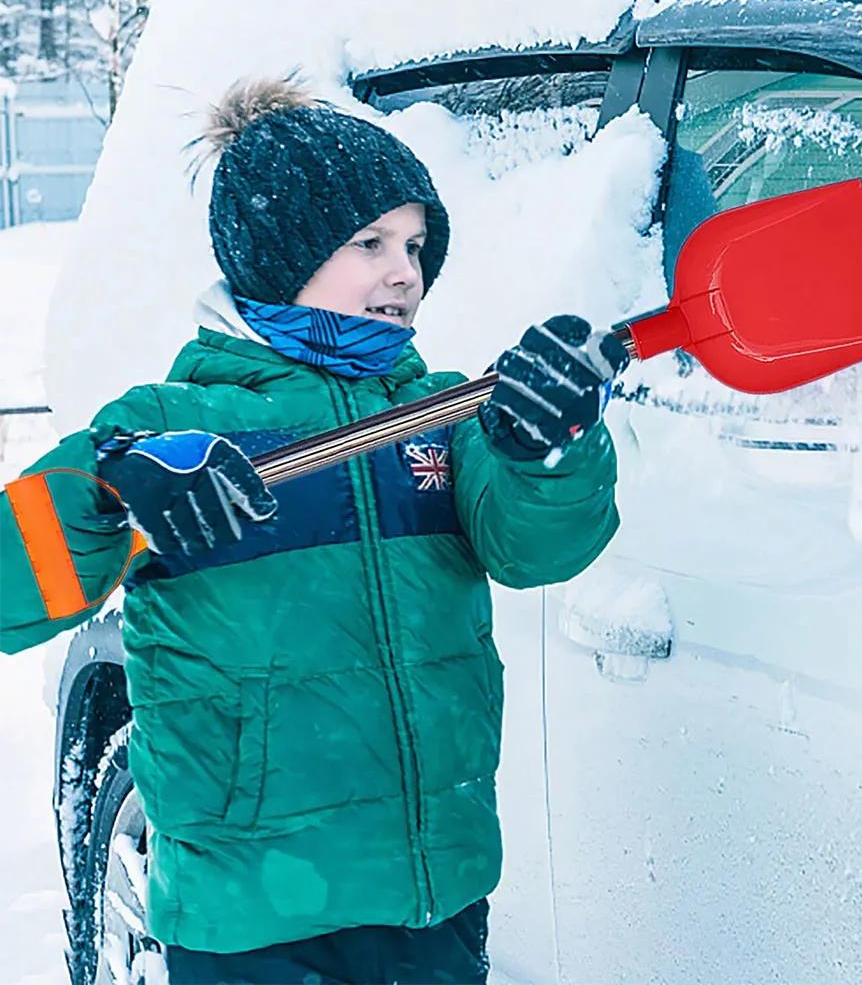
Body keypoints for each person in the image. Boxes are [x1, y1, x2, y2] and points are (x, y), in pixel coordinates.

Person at [0, 76, 629, 984]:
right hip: (255, 915)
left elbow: (537, 548)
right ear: (278, 254)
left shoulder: (442, 413)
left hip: (432, 890)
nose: (402, 271)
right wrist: (105, 489)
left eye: (416, 244)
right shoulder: (174, 423)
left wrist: (547, 449)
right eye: (368, 242)